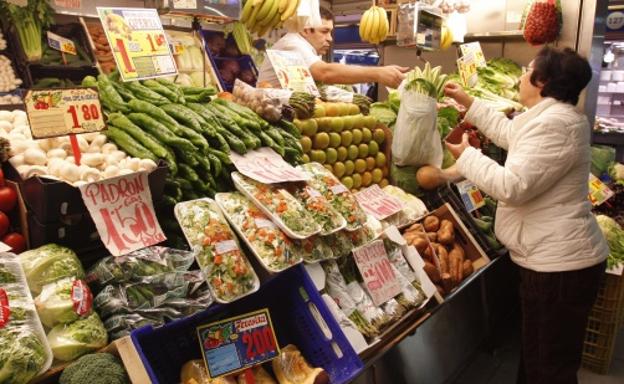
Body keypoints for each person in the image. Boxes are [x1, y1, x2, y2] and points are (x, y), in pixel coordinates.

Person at [444, 46, 609, 384]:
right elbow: (510, 134)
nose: (521, 75)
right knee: (537, 357)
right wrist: (470, 103)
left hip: (560, 266)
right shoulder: (550, 118)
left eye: (527, 70)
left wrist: (467, 157)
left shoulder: (556, 126)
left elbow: (512, 186)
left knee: (550, 367)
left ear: (542, 81)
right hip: (549, 259)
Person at [257, 7, 408, 89]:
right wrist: (378, 74)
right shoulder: (293, 43)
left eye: (331, 32)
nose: (330, 38)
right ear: (305, 30)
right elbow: (325, 72)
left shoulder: (310, 50)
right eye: (324, 31)